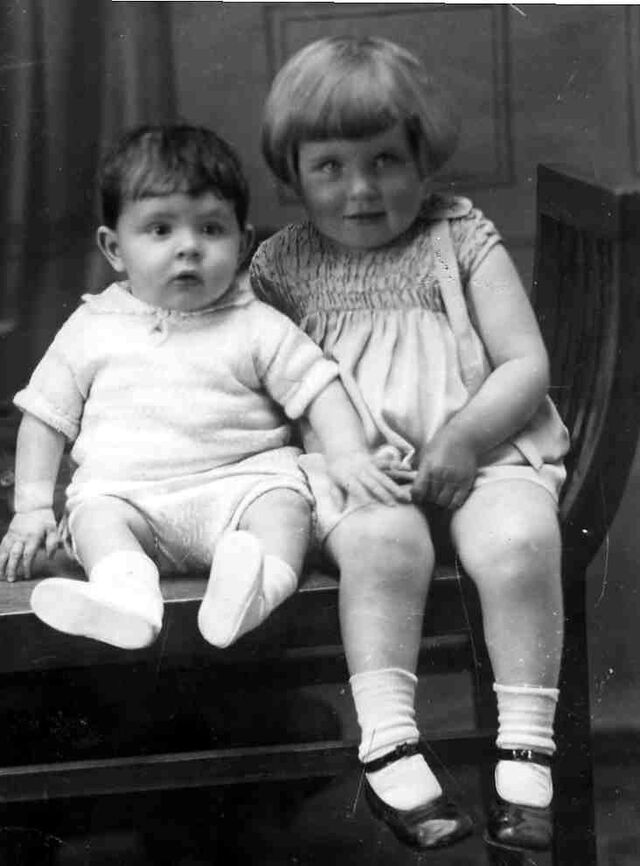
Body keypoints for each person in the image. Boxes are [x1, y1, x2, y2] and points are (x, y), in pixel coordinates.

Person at [251, 36, 570, 852]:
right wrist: (340, 456)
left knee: (519, 540)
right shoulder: (280, 266)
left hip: (483, 453)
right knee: (384, 547)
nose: (361, 188)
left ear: (423, 160)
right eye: (329, 166)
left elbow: (524, 363)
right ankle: (390, 746)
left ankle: (526, 753)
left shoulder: (458, 236)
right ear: (292, 176)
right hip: (360, 471)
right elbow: (258, 381)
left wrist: (464, 437)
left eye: (386, 160)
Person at [0, 123, 409, 653]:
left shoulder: (255, 324)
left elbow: (320, 388)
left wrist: (349, 455)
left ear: (242, 245)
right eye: (160, 230)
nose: (189, 248)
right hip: (130, 498)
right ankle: (127, 598)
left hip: (242, 488)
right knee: (97, 518)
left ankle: (256, 590)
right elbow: (44, 417)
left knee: (285, 506)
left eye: (211, 229)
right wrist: (32, 508)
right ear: (114, 248)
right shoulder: (91, 327)